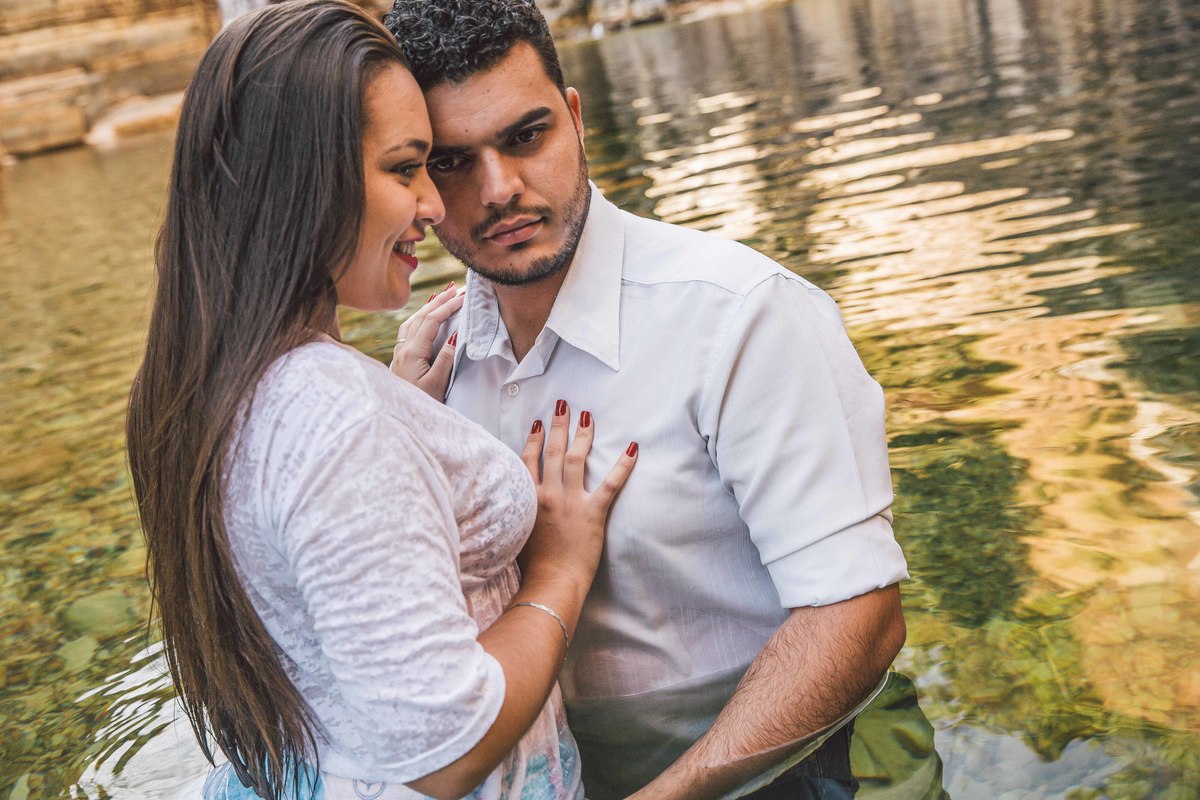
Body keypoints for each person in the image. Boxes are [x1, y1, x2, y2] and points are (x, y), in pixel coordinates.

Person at [380, 2, 910, 798]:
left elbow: (861, 623)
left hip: (810, 764)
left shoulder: (741, 317)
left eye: (527, 136)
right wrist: (397, 429)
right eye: (453, 162)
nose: (502, 190)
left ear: (576, 118)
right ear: (415, 180)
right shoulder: (432, 374)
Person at [124, 2, 636, 799]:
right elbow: (444, 752)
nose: (434, 206)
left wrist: (402, 415)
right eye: (406, 169)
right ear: (304, 179)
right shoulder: (337, 420)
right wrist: (560, 571)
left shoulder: (208, 382)